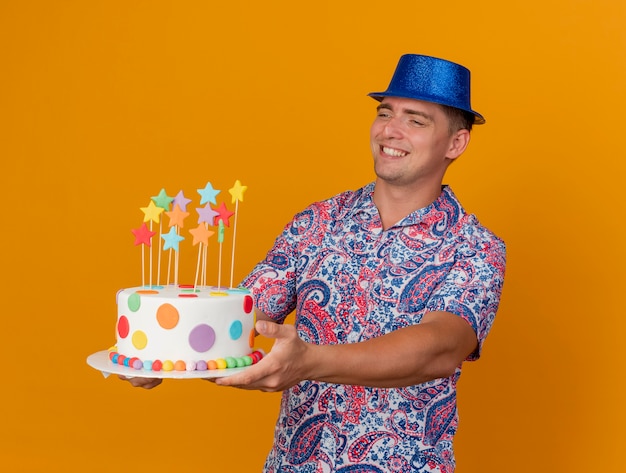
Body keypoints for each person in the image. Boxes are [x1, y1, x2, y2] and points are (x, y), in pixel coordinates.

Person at [123, 54, 506, 472]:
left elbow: (441, 347)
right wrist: (165, 351)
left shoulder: (474, 247)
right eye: (384, 112)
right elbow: (244, 311)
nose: (389, 130)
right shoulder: (318, 221)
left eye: (416, 120)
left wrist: (312, 360)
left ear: (456, 143)